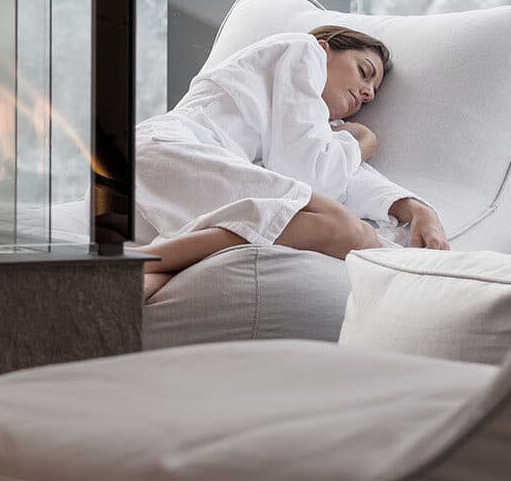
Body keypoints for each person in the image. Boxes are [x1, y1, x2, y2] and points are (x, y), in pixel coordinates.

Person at [136, 25, 448, 300]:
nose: (367, 93)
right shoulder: (304, 51)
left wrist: (417, 210)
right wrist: (362, 141)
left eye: (372, 95)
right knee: (350, 233)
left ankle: (132, 275)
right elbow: (314, 179)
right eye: (363, 71)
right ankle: (132, 264)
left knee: (347, 232)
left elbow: (339, 181)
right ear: (327, 46)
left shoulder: (299, 128)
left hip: (169, 168)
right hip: (171, 148)